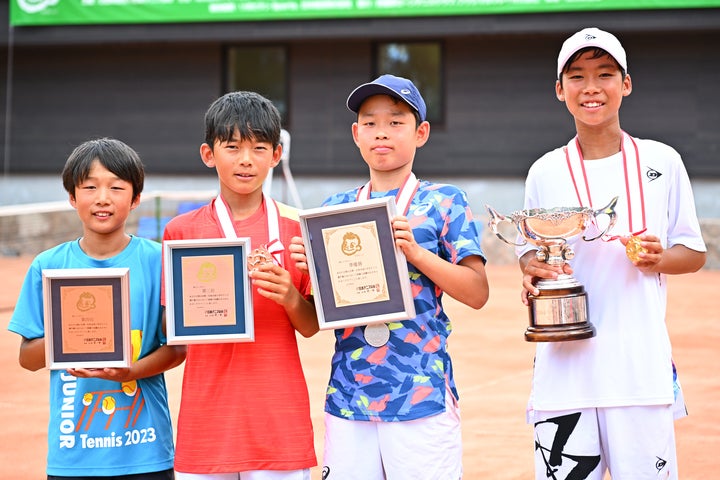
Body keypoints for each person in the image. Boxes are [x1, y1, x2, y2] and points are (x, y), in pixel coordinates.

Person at [517, 28, 707, 480]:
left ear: (626, 83)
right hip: (563, 373)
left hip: (639, 372)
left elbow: (694, 252)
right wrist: (533, 268)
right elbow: (529, 252)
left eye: (605, 74)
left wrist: (658, 259)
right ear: (560, 89)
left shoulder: (663, 160)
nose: (592, 88)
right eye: (577, 76)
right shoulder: (545, 170)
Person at [289, 74, 489, 479]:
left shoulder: (444, 201)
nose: (382, 133)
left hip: (420, 393)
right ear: (356, 134)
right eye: (370, 122)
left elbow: (477, 292)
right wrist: (310, 273)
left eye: (396, 122)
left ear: (421, 133)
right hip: (349, 396)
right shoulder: (335, 209)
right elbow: (314, 318)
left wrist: (416, 253)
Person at [7, 138, 185, 479]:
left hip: (146, 452)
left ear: (135, 199)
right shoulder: (48, 265)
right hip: (73, 455)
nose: (102, 197)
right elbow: (27, 357)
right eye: (89, 186)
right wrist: (69, 336)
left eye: (116, 187)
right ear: (73, 197)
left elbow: (177, 348)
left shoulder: (158, 261)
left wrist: (131, 371)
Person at [162, 91, 318, 479]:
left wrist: (289, 296)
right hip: (208, 421)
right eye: (232, 147)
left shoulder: (299, 229)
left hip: (278, 422)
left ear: (276, 155)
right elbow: (171, 332)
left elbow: (312, 325)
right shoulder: (181, 232)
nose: (246, 160)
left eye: (259, 147)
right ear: (208, 154)